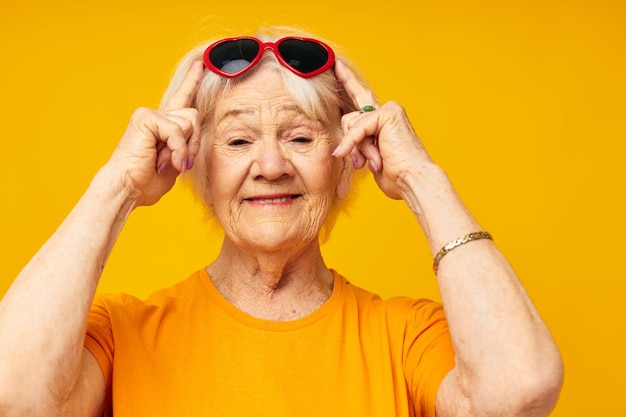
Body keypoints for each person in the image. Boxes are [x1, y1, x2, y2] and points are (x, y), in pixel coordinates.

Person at [0, 26, 563, 416]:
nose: (270, 166)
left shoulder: (406, 338)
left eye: (299, 137)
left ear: (345, 161)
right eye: (239, 140)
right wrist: (118, 185)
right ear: (195, 163)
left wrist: (421, 178)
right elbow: (11, 395)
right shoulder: (120, 335)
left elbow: (518, 392)